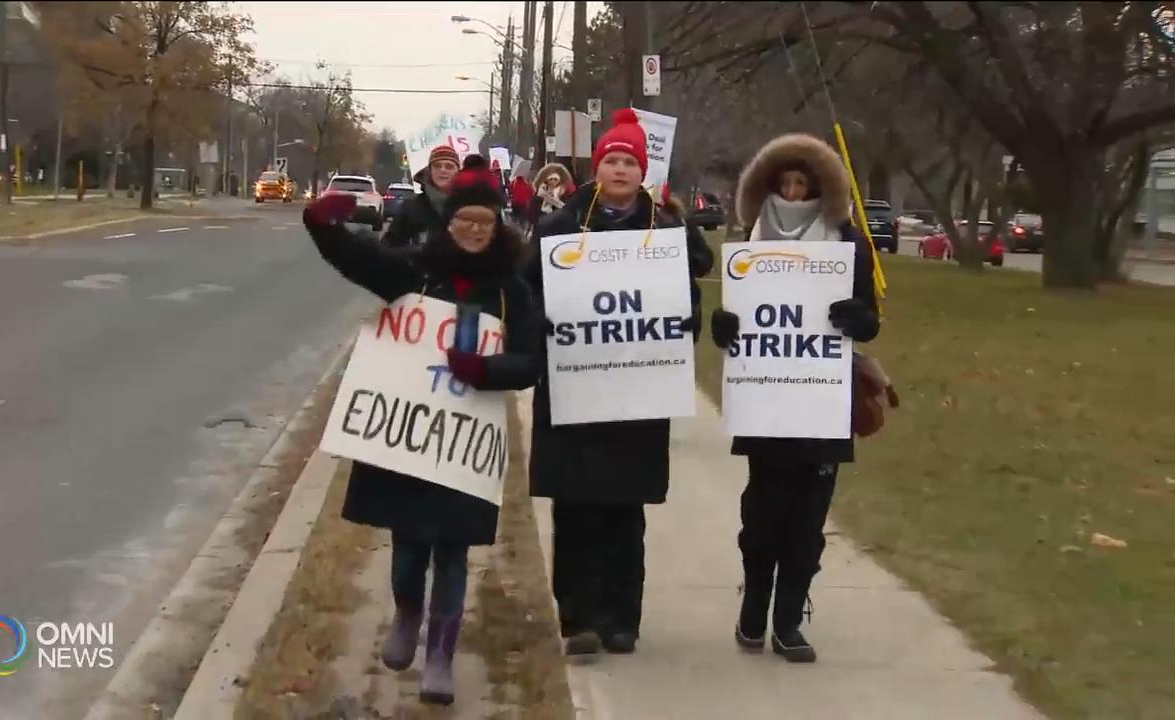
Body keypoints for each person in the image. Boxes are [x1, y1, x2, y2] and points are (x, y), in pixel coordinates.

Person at [303, 154, 540, 704]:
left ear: (498, 226)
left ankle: (440, 655)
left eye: (484, 222)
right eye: (464, 221)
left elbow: (531, 362)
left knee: (452, 554)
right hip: (409, 445)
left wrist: (485, 369)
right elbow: (361, 261)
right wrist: (323, 226)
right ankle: (407, 612)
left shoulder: (512, 291)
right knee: (408, 547)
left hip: (464, 446)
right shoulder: (418, 271)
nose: (473, 231)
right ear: (448, 222)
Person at [525, 108, 714, 658]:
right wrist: (542, 324)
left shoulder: (666, 231)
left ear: (642, 171)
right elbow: (527, 289)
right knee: (575, 508)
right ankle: (578, 618)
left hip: (637, 391)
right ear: (597, 167)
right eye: (612, 160)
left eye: (630, 162)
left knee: (624, 512)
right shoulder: (559, 229)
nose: (620, 169)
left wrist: (687, 322)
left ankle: (620, 618)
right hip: (574, 387)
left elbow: (689, 297)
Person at [708, 133, 880, 663]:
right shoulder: (751, 238)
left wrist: (857, 318)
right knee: (762, 518)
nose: (792, 192)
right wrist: (724, 327)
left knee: (807, 525)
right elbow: (738, 318)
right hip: (767, 403)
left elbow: (869, 320)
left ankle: (788, 620)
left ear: (821, 187)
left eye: (802, 183)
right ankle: (753, 608)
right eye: (784, 182)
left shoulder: (847, 242)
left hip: (822, 403)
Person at [384, 144, 461, 256]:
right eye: (437, 166)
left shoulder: (468, 206)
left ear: (458, 172)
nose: (443, 170)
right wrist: (413, 254)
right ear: (430, 171)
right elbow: (389, 247)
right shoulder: (411, 207)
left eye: (449, 166)